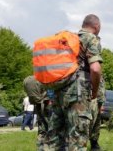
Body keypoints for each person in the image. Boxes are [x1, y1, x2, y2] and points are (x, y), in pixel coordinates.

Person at [46, 14, 103, 150]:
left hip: (58, 92)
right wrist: (94, 92)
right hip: (78, 95)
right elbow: (95, 69)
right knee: (77, 138)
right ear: (97, 27)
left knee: (54, 137)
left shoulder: (67, 40)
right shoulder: (90, 38)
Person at [23, 75, 51, 150]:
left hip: (38, 105)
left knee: (42, 130)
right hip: (47, 104)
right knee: (51, 128)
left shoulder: (28, 79)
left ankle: (40, 148)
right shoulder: (45, 78)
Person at [90, 77, 106, 151]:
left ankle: (94, 143)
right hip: (91, 100)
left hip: (99, 102)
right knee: (89, 122)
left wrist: (102, 104)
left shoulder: (101, 77)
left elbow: (103, 91)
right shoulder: (91, 71)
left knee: (97, 123)